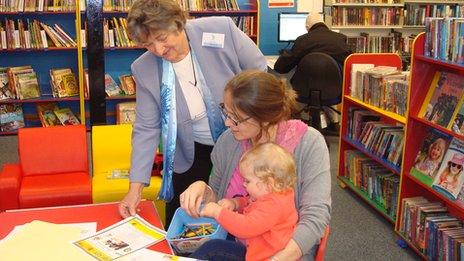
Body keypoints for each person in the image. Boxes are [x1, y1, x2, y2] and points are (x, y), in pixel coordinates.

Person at [117, 0, 267, 226]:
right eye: (148, 45)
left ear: (178, 24)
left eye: (161, 38)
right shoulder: (144, 68)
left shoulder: (220, 30)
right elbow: (146, 129)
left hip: (242, 143)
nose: (158, 50)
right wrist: (135, 188)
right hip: (191, 152)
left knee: (241, 211)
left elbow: (259, 71)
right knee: (188, 221)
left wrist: (246, 114)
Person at [180, 70, 331, 260]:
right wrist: (204, 189)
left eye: (235, 117)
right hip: (241, 243)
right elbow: (219, 203)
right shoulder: (229, 141)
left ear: (266, 118)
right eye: (226, 112)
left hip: (284, 250)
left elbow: (315, 217)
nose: (227, 123)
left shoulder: (309, 143)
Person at [191, 142, 298, 260]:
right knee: (213, 245)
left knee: (213, 248)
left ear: (268, 184)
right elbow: (250, 201)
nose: (244, 184)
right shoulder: (274, 194)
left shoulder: (274, 206)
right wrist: (236, 203)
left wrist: (217, 212)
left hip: (261, 257)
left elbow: (245, 227)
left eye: (247, 181)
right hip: (253, 247)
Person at [274, 12, 351, 74]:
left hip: (305, 89)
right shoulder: (341, 38)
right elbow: (350, 65)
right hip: (336, 89)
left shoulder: (302, 40)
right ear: (324, 23)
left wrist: (286, 54)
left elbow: (280, 68)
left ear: (307, 27)